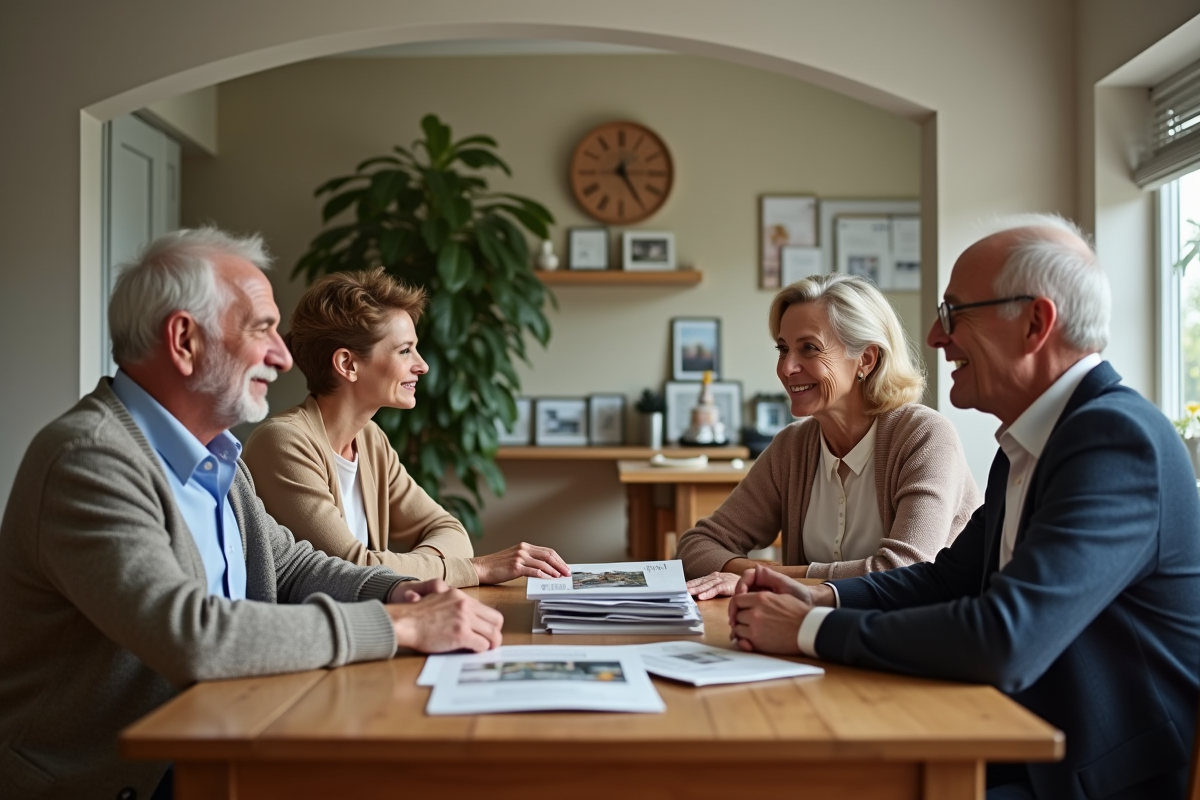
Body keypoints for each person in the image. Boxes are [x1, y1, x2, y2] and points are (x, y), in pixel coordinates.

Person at [0, 228, 503, 800]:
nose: (284, 356)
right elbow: (192, 634)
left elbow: (288, 568)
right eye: (262, 328)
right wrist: (399, 626)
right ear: (184, 339)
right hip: (112, 780)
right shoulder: (89, 459)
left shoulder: (218, 455)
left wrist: (395, 591)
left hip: (222, 737)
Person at [729, 215, 1200, 800]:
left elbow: (1005, 638)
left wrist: (810, 629)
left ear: (1035, 323)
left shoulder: (1114, 439)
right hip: (1013, 732)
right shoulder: (1028, 441)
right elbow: (948, 579)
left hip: (1087, 772)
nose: (932, 335)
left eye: (954, 313)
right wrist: (818, 595)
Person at [242, 268, 569, 586]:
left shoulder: (369, 439)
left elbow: (448, 529)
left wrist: (418, 570)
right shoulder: (283, 442)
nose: (422, 365)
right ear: (347, 364)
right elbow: (352, 569)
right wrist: (473, 570)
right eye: (404, 350)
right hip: (318, 636)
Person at [678, 273, 980, 599]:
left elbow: (904, 571)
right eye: (782, 349)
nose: (786, 367)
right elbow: (696, 546)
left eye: (809, 348)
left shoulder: (924, 437)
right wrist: (765, 578)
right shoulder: (792, 447)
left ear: (866, 359)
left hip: (921, 641)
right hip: (817, 636)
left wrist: (771, 578)